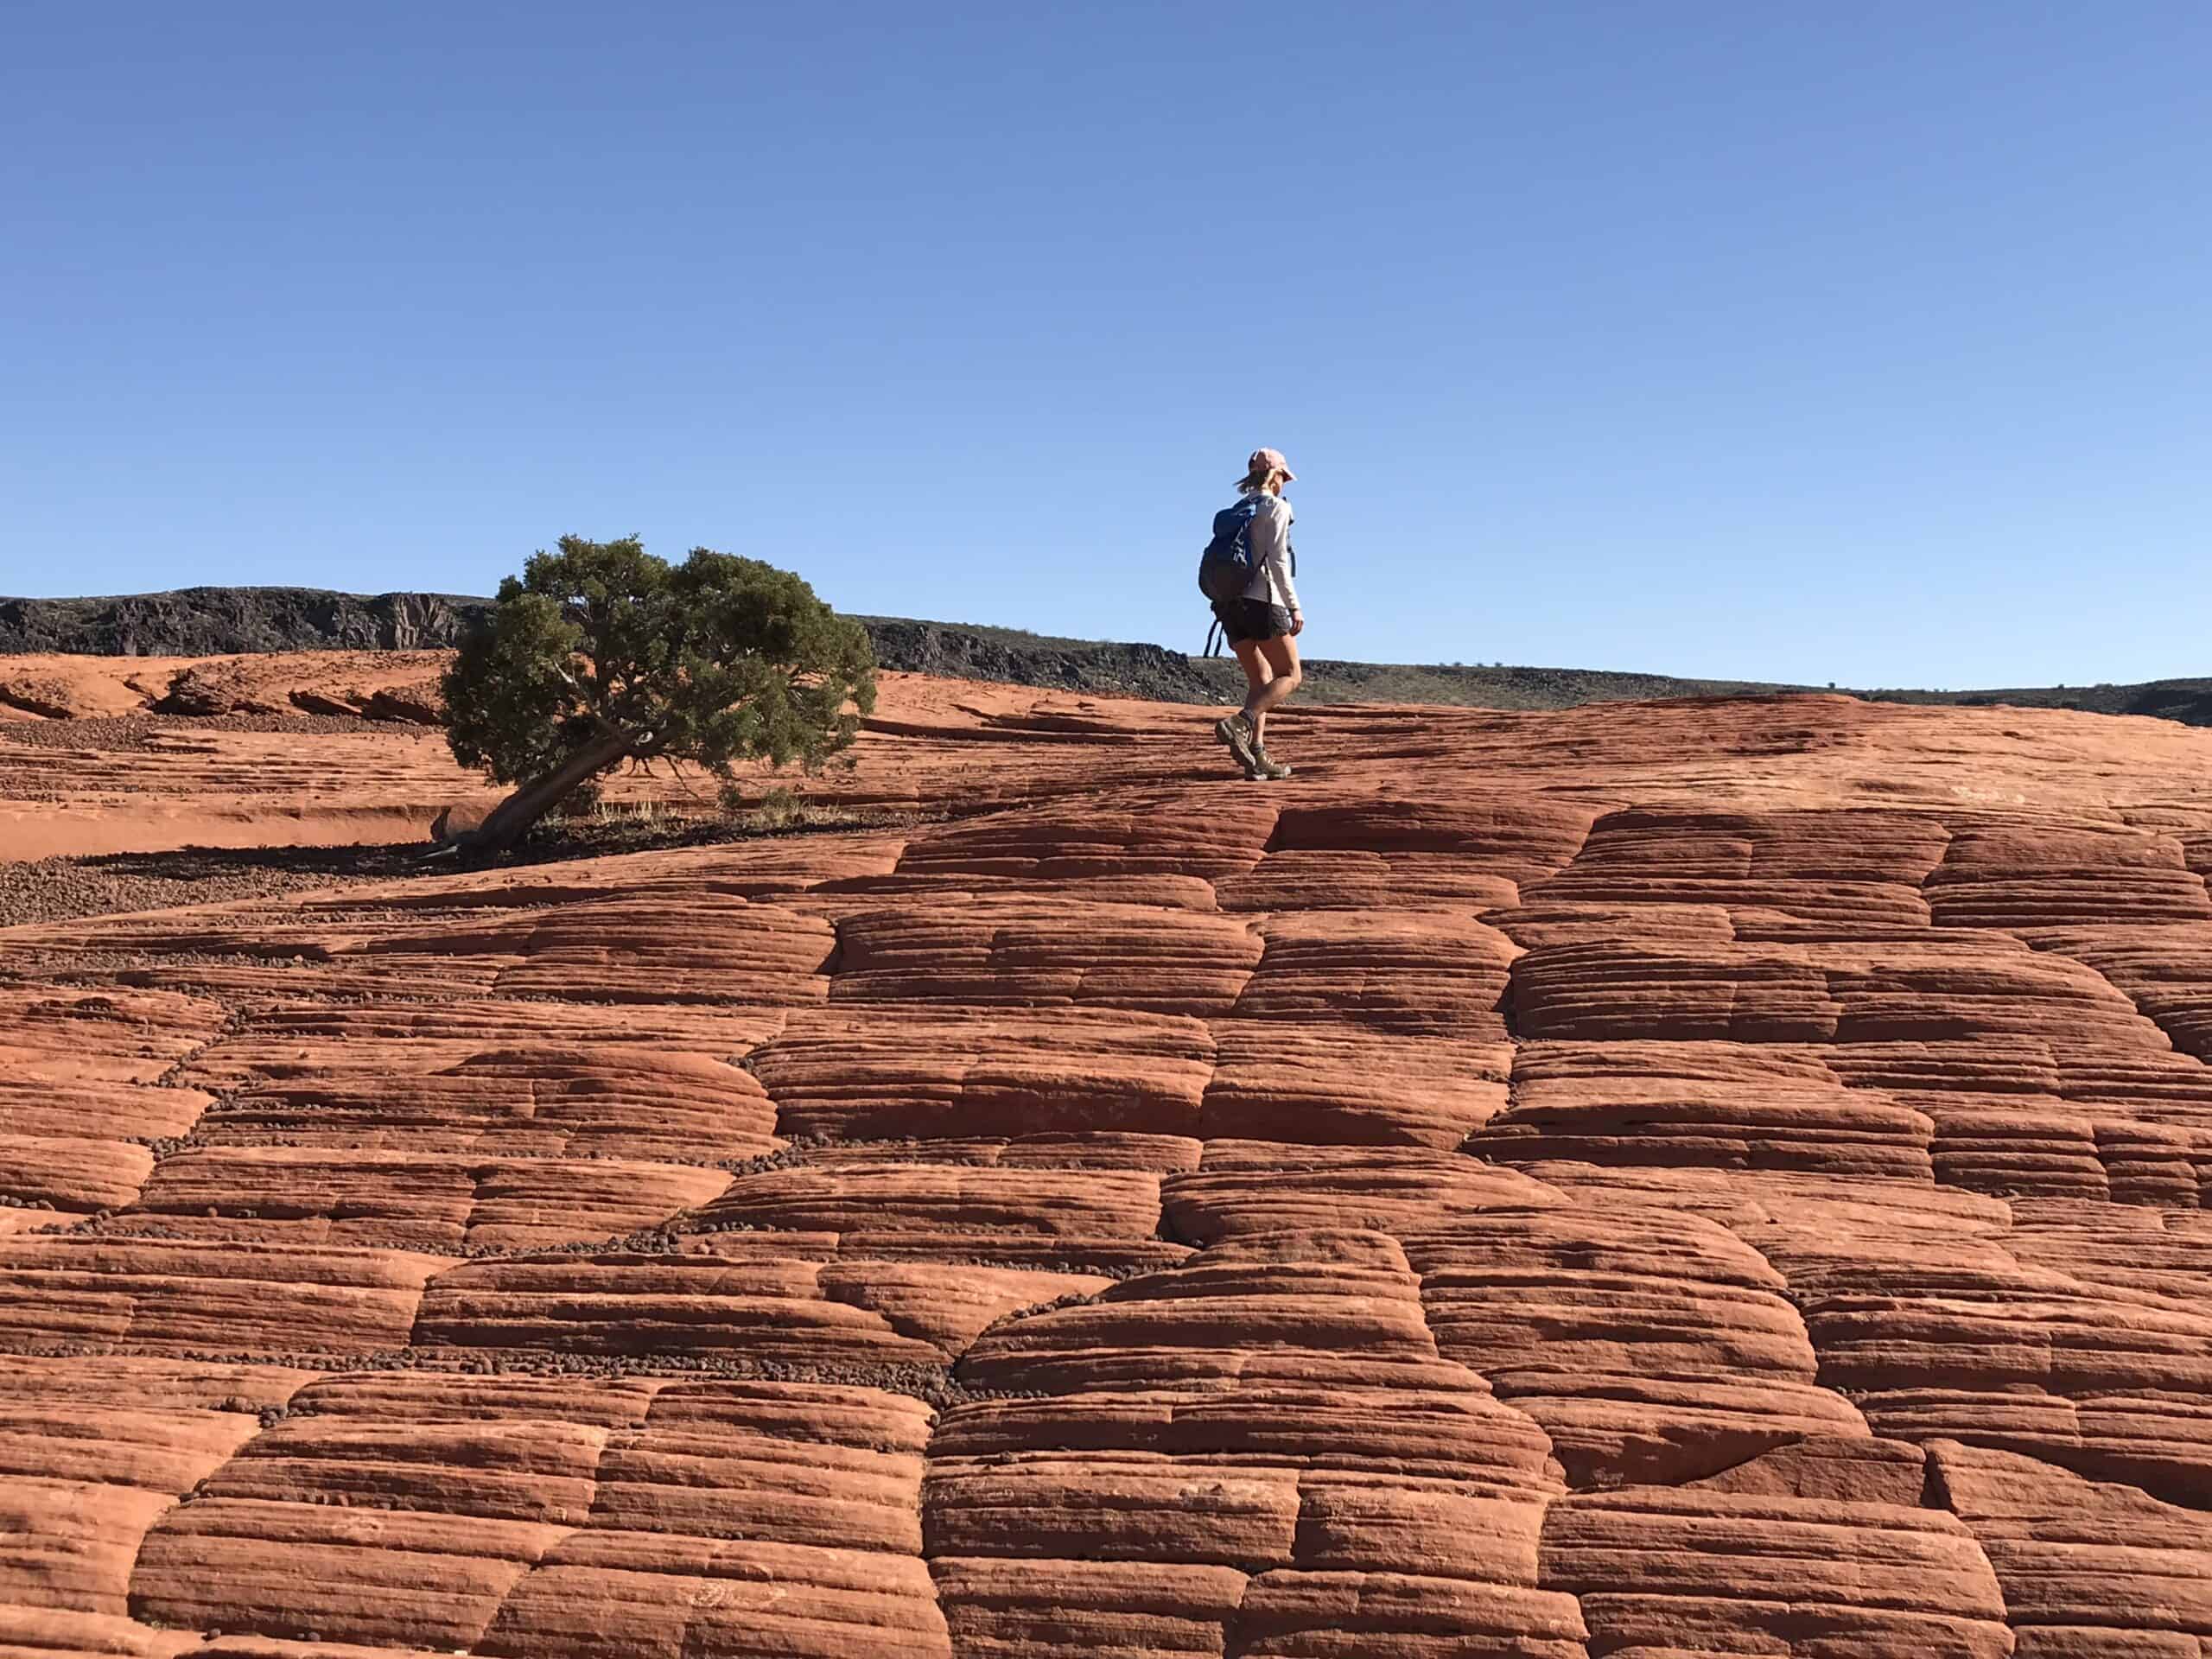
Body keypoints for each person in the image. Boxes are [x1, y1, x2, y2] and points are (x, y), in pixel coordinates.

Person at [1211, 447, 1304, 780]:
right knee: (1291, 675)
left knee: (1260, 681)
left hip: (1228, 605)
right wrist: (1294, 605)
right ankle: (1240, 722)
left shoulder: (1239, 508)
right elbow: (1278, 561)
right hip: (1263, 600)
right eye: (1283, 477)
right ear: (1275, 476)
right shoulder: (1275, 508)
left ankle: (1258, 756)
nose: (1284, 484)